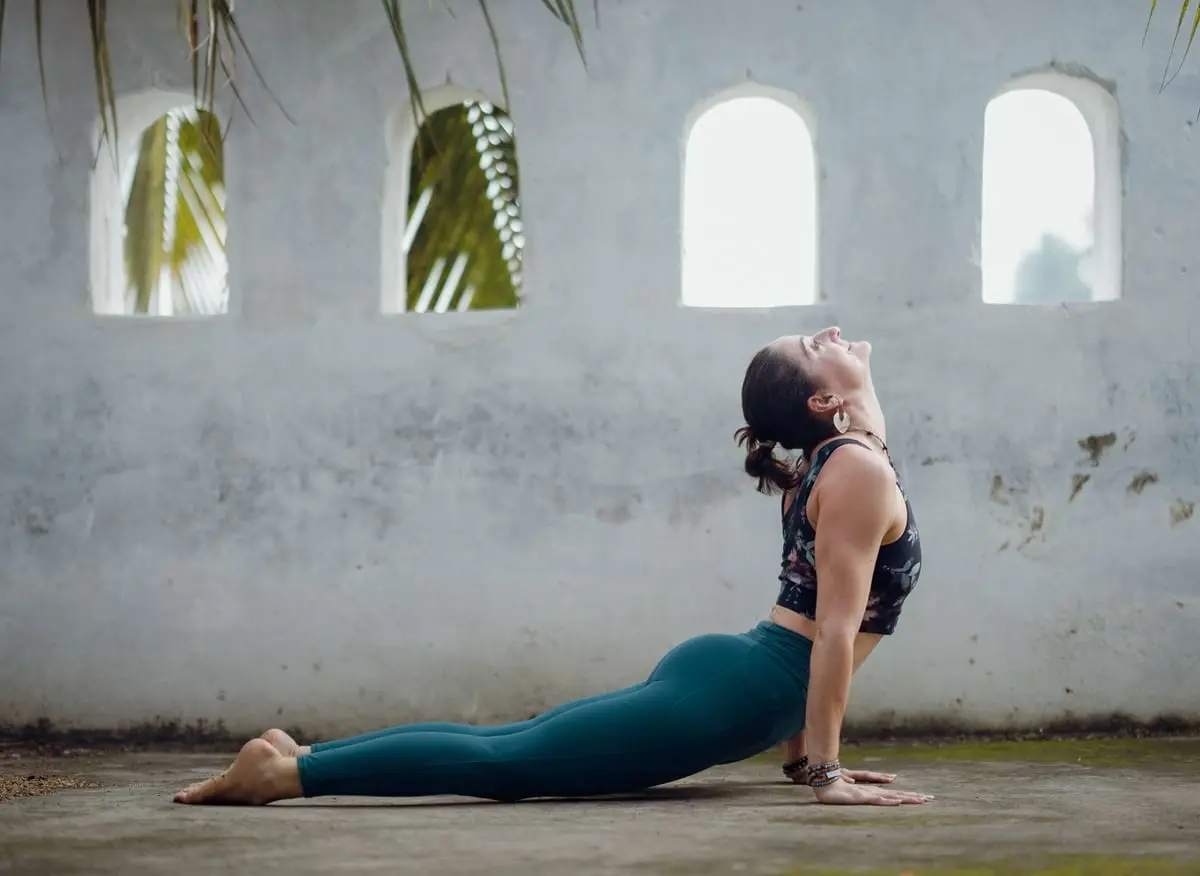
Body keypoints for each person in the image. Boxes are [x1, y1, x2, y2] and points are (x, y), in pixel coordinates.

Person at [175, 326, 930, 807]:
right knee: (510, 765)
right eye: (812, 342)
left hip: (744, 678)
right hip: (738, 693)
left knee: (513, 744)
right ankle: (288, 775)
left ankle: (298, 756)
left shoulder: (842, 463)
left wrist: (803, 762)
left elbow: (819, 624)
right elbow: (831, 634)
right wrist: (826, 775)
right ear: (825, 397)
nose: (830, 329)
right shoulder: (856, 470)